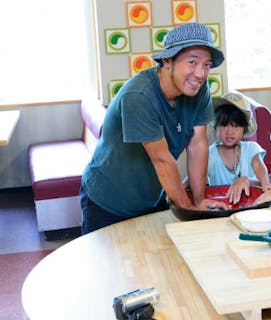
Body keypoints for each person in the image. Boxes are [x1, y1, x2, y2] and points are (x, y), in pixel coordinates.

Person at [80, 23, 228, 234]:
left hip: (152, 198)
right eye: (192, 62)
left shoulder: (199, 90)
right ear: (168, 60)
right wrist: (189, 211)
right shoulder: (139, 96)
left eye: (206, 65)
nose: (200, 73)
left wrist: (199, 200)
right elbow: (161, 160)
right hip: (108, 201)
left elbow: (197, 144)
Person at [207, 92, 271, 204]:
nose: (229, 132)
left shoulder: (252, 149)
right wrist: (180, 187)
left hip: (249, 206)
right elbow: (194, 175)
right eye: (223, 125)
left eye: (236, 126)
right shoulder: (209, 154)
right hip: (220, 208)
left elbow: (262, 174)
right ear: (216, 126)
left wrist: (253, 181)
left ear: (244, 129)